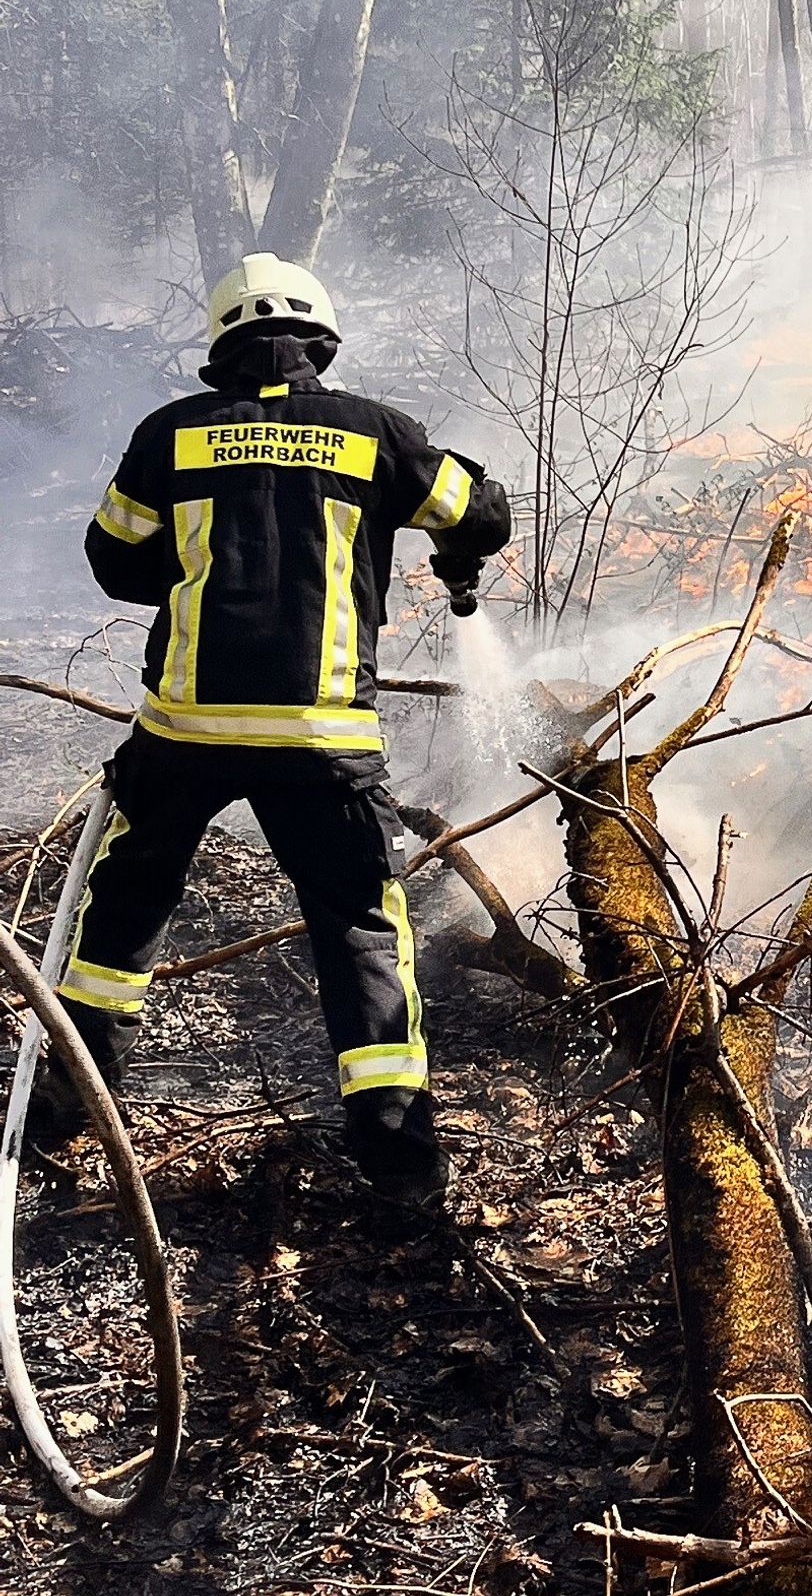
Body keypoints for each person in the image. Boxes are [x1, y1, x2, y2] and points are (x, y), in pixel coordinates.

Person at [31, 254, 510, 1206]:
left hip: (185, 731)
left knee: (125, 908)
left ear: (223, 345)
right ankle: (397, 1157)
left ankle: (70, 1099)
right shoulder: (374, 431)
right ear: (320, 341)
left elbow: (112, 560)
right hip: (322, 735)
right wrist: (449, 550)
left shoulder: (170, 434)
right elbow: (480, 512)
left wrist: (202, 566)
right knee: (360, 925)